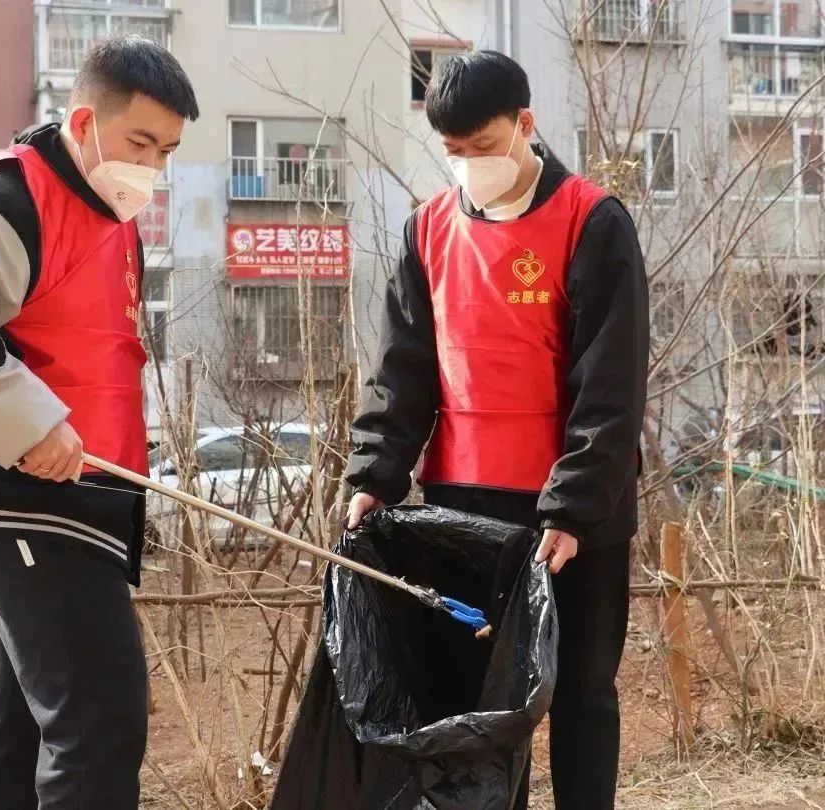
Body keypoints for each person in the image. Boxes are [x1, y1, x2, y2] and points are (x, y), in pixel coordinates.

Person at [0, 36, 198, 810]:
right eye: (140, 143)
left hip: (86, 497)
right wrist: (30, 421)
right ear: (85, 122)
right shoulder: (9, 197)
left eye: (166, 151)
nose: (152, 167)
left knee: (28, 729)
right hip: (27, 493)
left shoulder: (112, 215)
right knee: (98, 723)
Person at [343, 50, 648, 809]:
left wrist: (574, 507)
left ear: (524, 125)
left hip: (572, 510)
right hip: (462, 504)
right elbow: (402, 372)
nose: (470, 165)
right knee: (473, 699)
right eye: (454, 151)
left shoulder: (592, 221)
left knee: (582, 693)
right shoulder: (427, 230)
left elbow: (610, 387)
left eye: (483, 146)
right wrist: (375, 474)